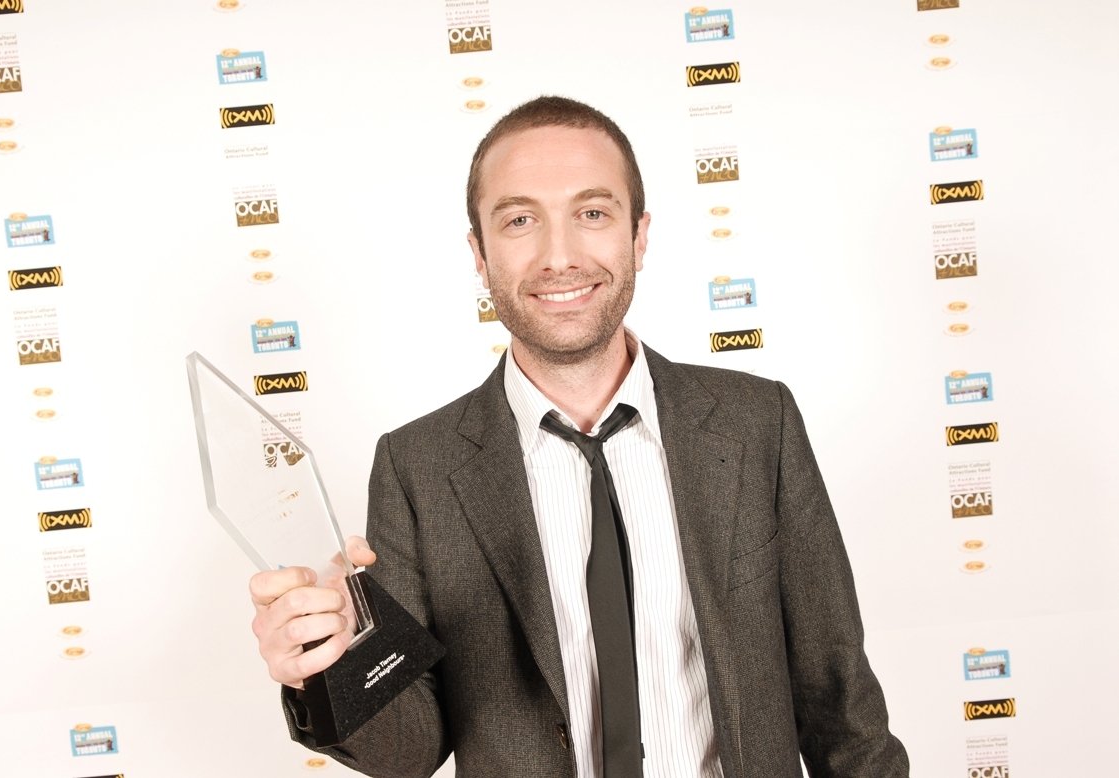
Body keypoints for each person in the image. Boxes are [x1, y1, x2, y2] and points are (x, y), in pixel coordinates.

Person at [249, 96, 910, 777]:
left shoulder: (756, 423)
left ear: (639, 235)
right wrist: (330, 666)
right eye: (520, 220)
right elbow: (410, 748)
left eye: (592, 214)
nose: (559, 255)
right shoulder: (418, 467)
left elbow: (840, 700)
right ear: (478, 253)